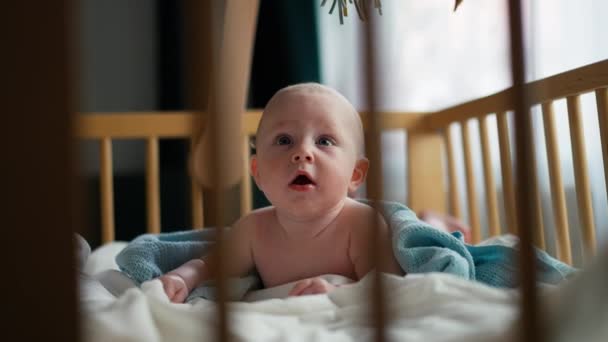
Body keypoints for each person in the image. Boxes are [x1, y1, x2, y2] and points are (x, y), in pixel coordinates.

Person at [158, 83, 404, 303]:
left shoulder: (361, 224)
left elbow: (390, 287)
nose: (302, 152)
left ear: (355, 174)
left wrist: (337, 292)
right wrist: (182, 278)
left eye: (325, 141)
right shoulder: (254, 229)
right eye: (284, 140)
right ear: (258, 172)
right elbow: (209, 267)